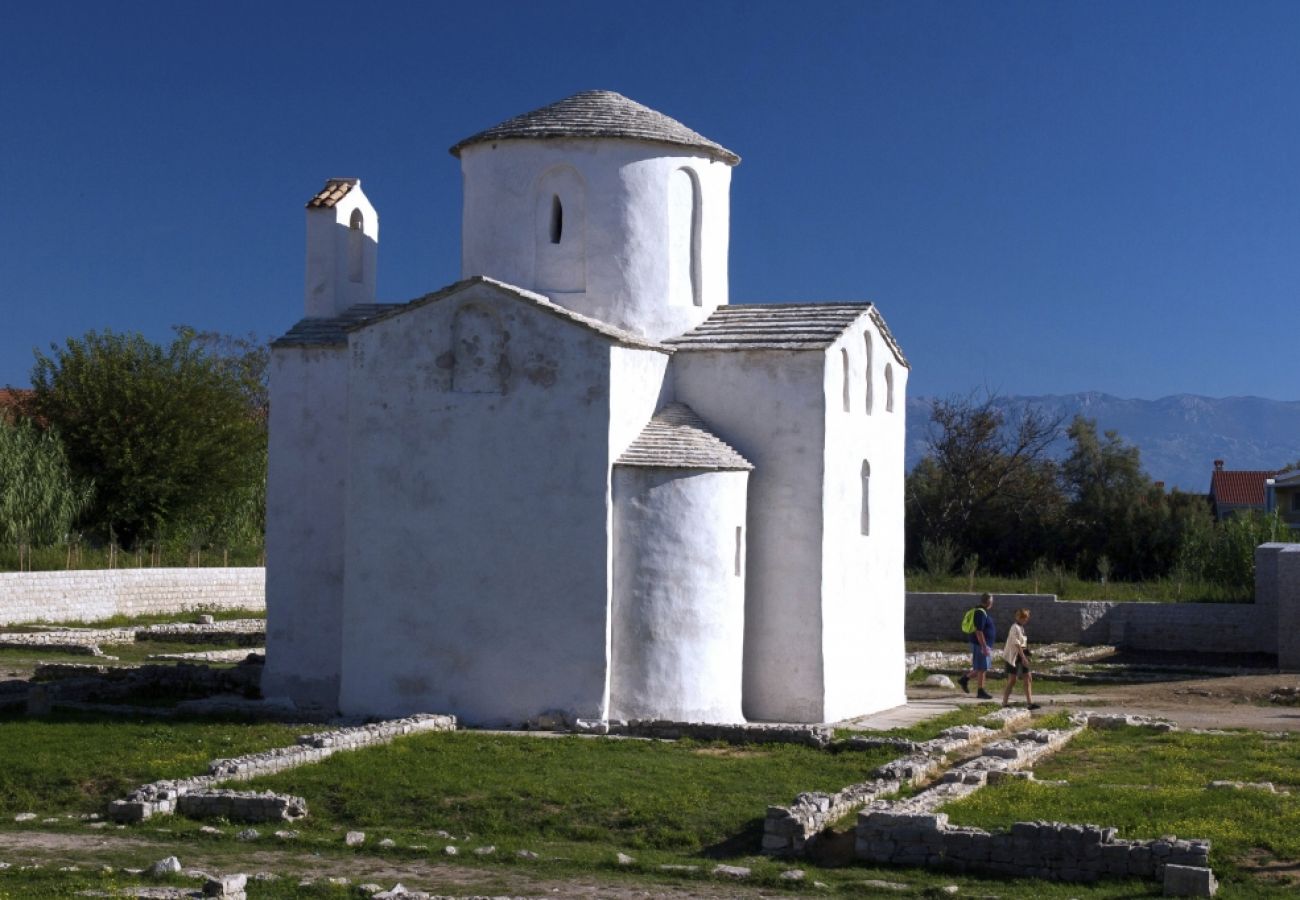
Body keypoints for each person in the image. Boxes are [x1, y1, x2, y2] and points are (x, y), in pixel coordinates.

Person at [958, 592, 996, 700]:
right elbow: (979, 631)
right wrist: (984, 646)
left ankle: (964, 679)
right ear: (989, 602)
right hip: (980, 644)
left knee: (980, 667)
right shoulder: (980, 613)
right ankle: (981, 691)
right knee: (982, 668)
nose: (992, 603)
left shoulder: (982, 611)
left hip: (982, 644)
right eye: (992, 600)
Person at [1001, 608, 1040, 710]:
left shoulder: (1021, 628)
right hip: (1013, 655)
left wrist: (1026, 652)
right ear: (1019, 617)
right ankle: (1004, 702)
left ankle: (1030, 703)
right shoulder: (1014, 628)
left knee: (1028, 678)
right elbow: (1016, 644)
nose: (1026, 620)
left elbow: (1022, 643)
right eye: (1024, 618)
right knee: (1012, 680)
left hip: (1022, 654)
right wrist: (1023, 657)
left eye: (1026, 618)